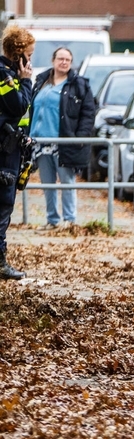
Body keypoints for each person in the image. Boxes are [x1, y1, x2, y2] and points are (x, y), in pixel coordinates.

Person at [30, 46, 96, 229]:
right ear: (53, 61)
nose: (64, 62)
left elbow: (88, 113)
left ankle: (69, 220)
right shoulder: (42, 81)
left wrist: (80, 136)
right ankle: (52, 220)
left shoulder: (79, 85)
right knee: (47, 183)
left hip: (64, 141)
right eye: (60, 59)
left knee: (67, 180)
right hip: (41, 142)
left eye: (67, 59)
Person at [0, 25, 35, 280]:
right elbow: (18, 106)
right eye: (29, 56)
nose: (31, 61)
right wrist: (26, 81)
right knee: (2, 207)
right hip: (4, 153)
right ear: (18, 53)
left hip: (11, 151)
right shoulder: (4, 76)